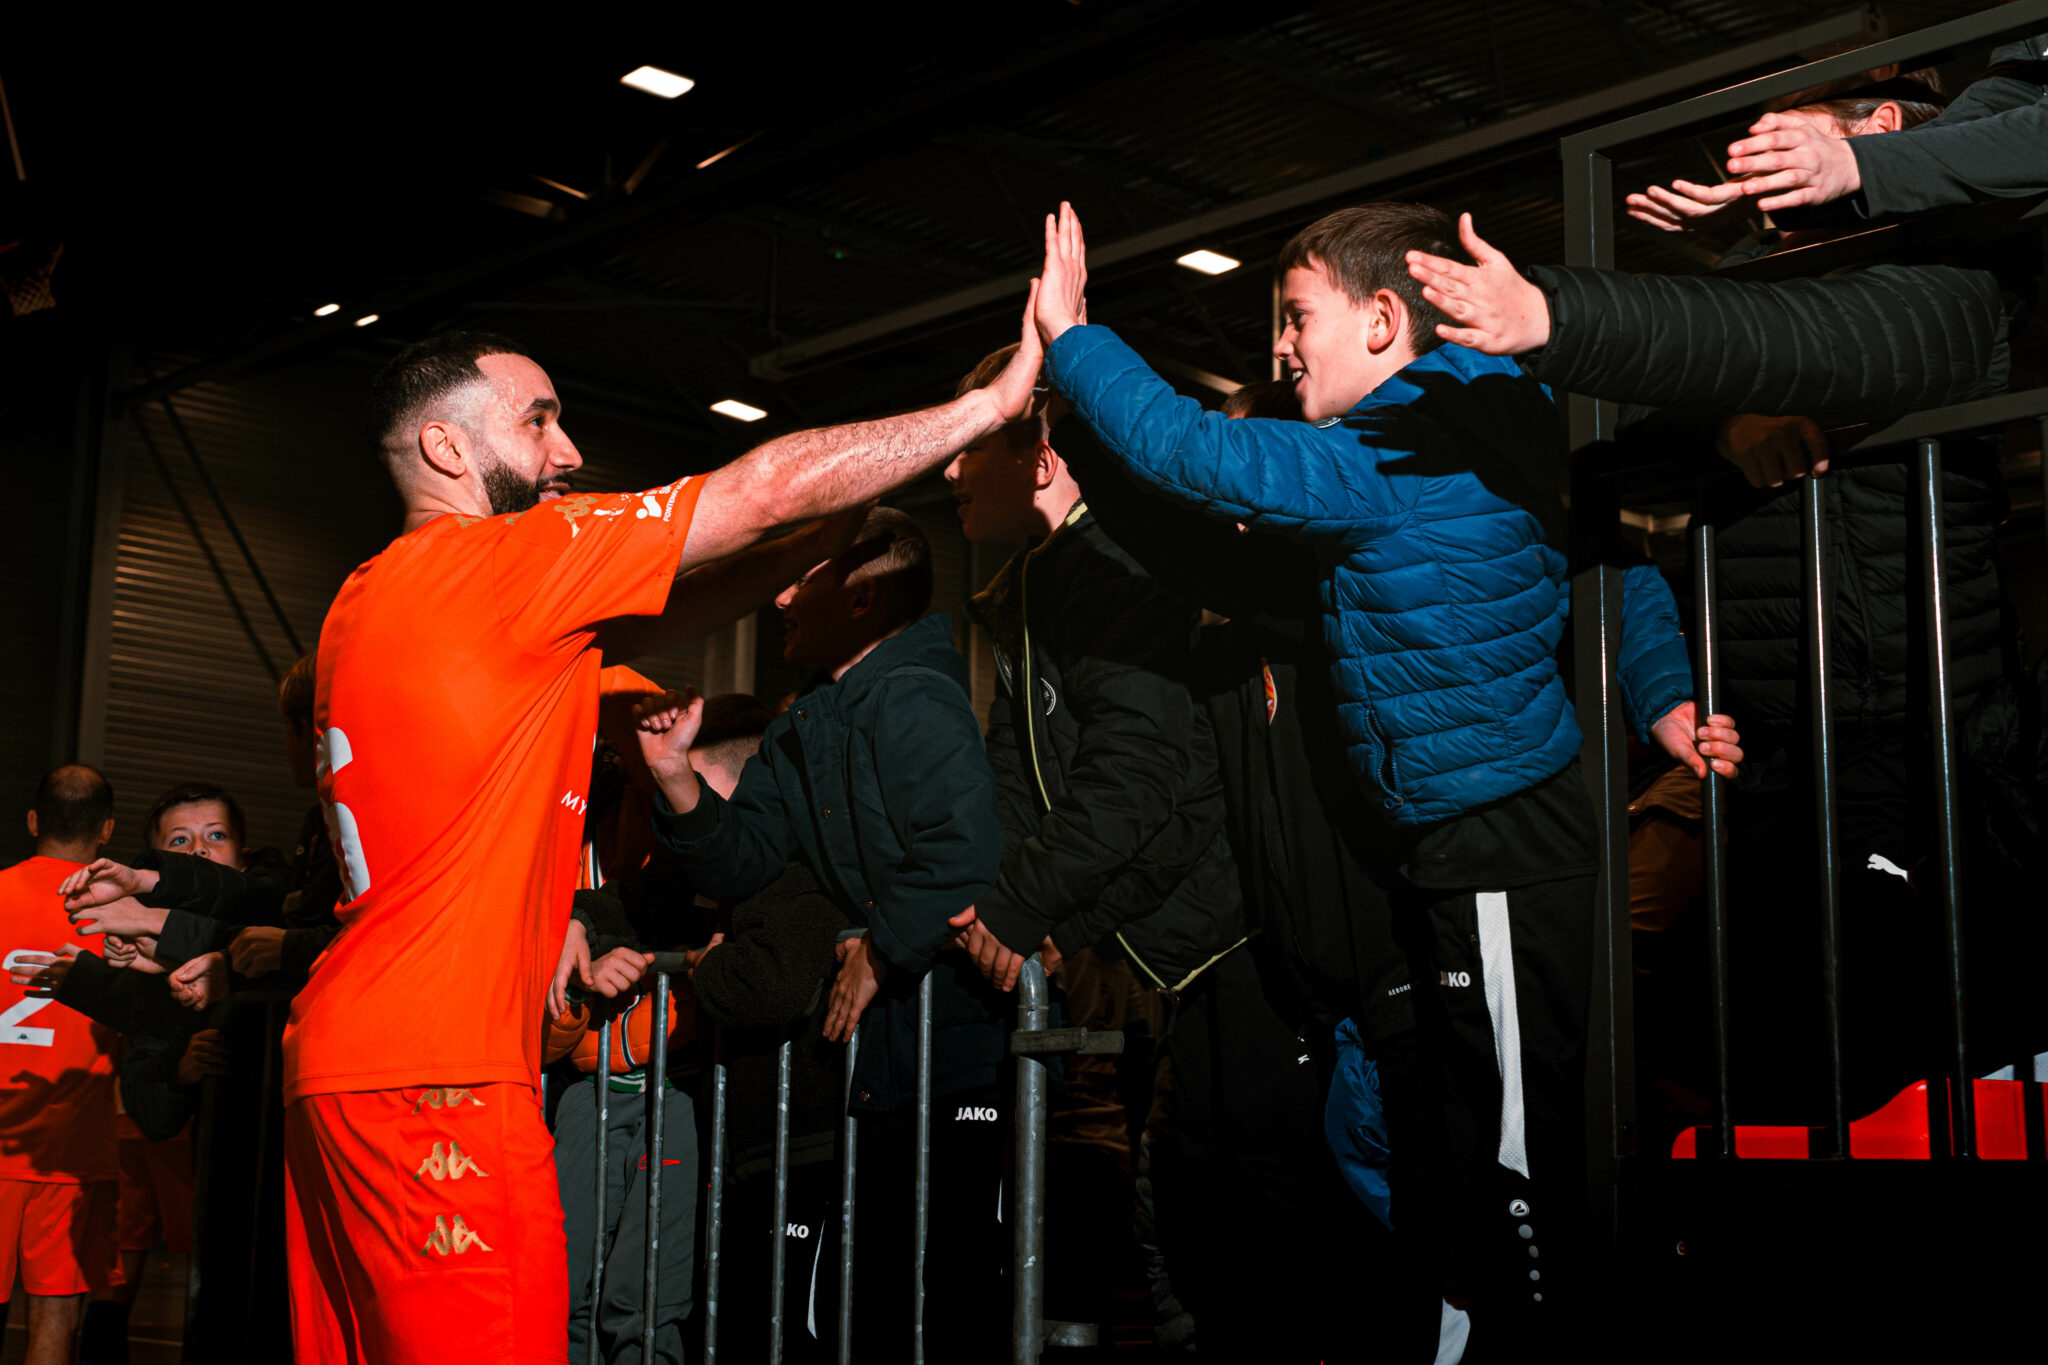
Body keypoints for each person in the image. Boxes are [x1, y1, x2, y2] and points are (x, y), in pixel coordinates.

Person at [61, 312, 1047, 1363]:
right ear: (447, 446)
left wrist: (821, 544)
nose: (569, 451)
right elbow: (761, 488)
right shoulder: (493, 566)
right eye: (539, 420)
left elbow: (679, 604)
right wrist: (981, 412)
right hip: (436, 1074)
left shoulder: (378, 595)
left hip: (354, 1063)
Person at [1025, 200, 1739, 1349]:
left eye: (1296, 316)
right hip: (1464, 849)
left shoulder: (1390, 453)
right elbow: (1601, 558)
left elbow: (1197, 455)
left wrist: (1072, 339)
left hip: (1499, 843)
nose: (1279, 346)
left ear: (1380, 320)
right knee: (1474, 1154)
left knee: (1515, 1162)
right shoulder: (1480, 426)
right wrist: (1660, 697)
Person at [633, 509, 1010, 1360]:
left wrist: (877, 948)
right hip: (882, 1054)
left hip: (950, 1047)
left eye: (806, 574)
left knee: (944, 1295)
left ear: (863, 598)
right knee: (875, 1295)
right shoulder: (814, 716)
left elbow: (964, 848)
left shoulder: (914, 698)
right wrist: (676, 779)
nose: (782, 593)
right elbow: (748, 858)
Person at [1402, 44, 2046, 427]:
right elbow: (1635, 409)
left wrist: (1558, 314)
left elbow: (1788, 339)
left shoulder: (1948, 274)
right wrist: (1729, 432)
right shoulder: (1760, 259)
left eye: (1782, 141)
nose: (1753, 164)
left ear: (1879, 127)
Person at [0, 766, 123, 1365]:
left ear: (32, 822)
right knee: (55, 1319)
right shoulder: (124, 917)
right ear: (106, 831)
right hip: (74, 1147)